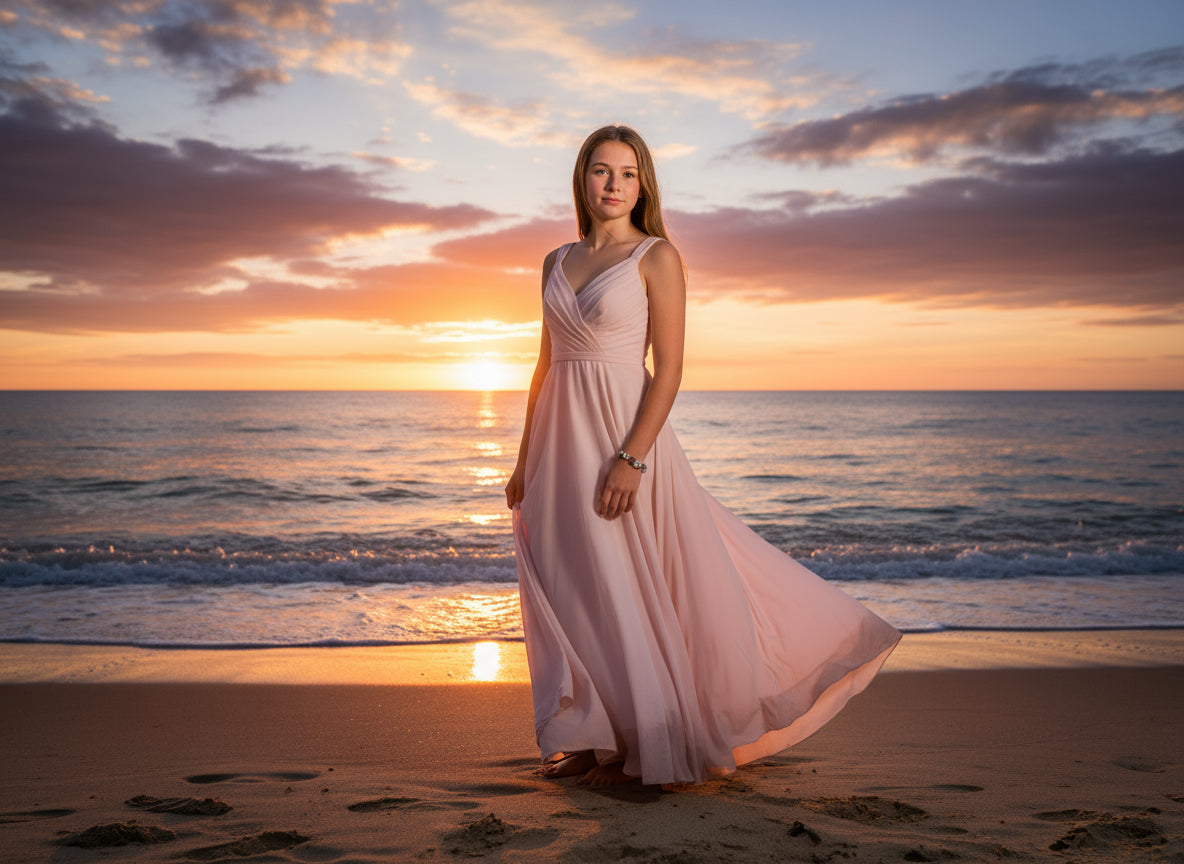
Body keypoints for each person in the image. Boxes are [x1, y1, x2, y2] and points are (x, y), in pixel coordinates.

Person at [504, 124, 900, 788]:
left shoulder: (657, 257)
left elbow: (669, 370)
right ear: (582, 179)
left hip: (619, 439)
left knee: (628, 582)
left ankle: (653, 731)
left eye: (628, 174)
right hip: (554, 445)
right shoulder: (554, 261)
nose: (613, 185)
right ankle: (588, 730)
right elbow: (542, 368)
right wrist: (522, 461)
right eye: (602, 171)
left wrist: (631, 459)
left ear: (643, 184)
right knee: (572, 586)